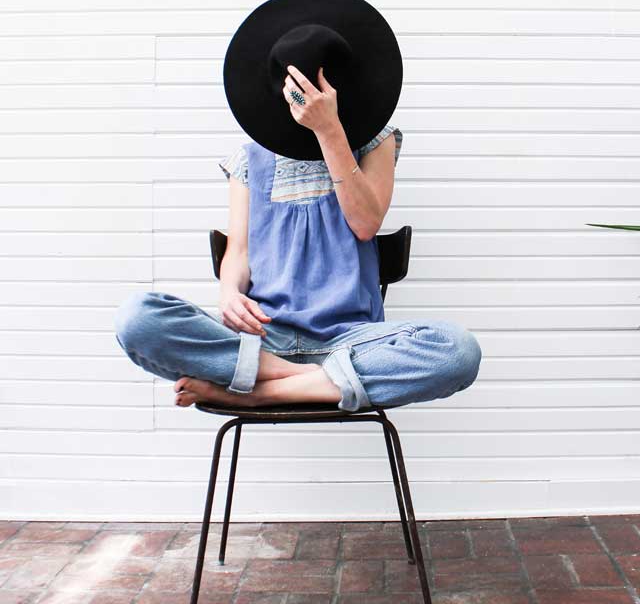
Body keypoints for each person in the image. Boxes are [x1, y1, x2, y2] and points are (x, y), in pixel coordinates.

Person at [113, 62, 482, 413]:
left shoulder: (374, 142)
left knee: (457, 350)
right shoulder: (249, 159)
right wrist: (228, 294)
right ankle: (304, 379)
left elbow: (365, 223)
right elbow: (238, 252)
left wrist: (329, 130)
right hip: (262, 340)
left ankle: (258, 394)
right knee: (138, 318)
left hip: (349, 342)